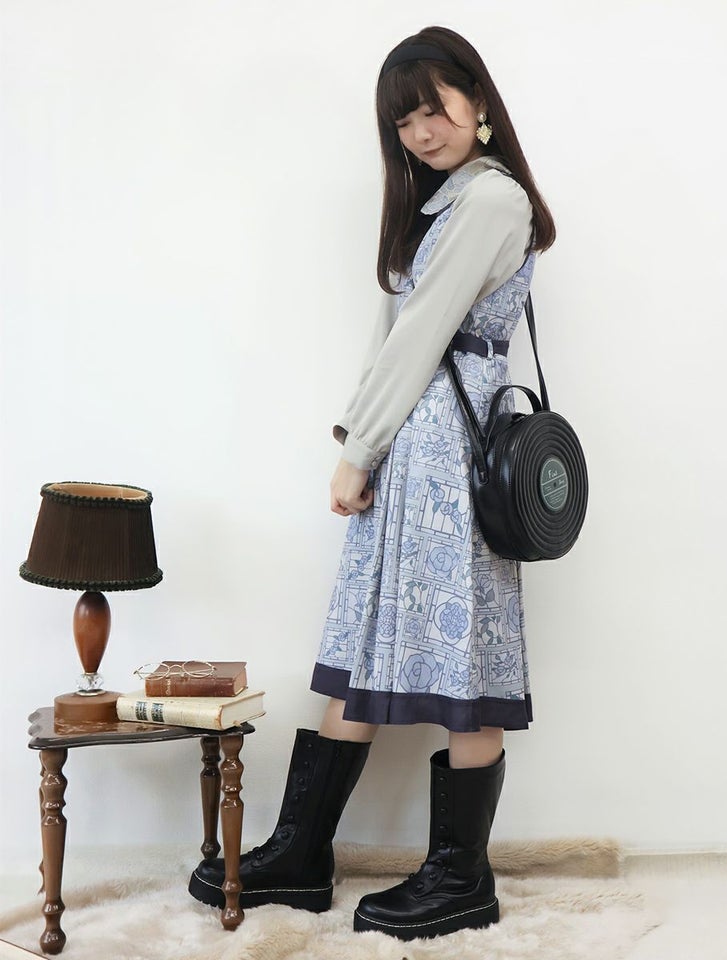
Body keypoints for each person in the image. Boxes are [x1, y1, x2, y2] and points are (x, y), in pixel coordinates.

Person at [188, 24, 556, 942]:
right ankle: (302, 851)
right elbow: (396, 333)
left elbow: (426, 333)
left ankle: (461, 878)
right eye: (404, 120)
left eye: (435, 107)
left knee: (465, 660)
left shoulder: (492, 199)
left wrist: (361, 449)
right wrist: (360, 440)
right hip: (412, 451)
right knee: (364, 642)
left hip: (451, 458)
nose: (422, 131)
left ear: (477, 101)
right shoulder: (441, 203)